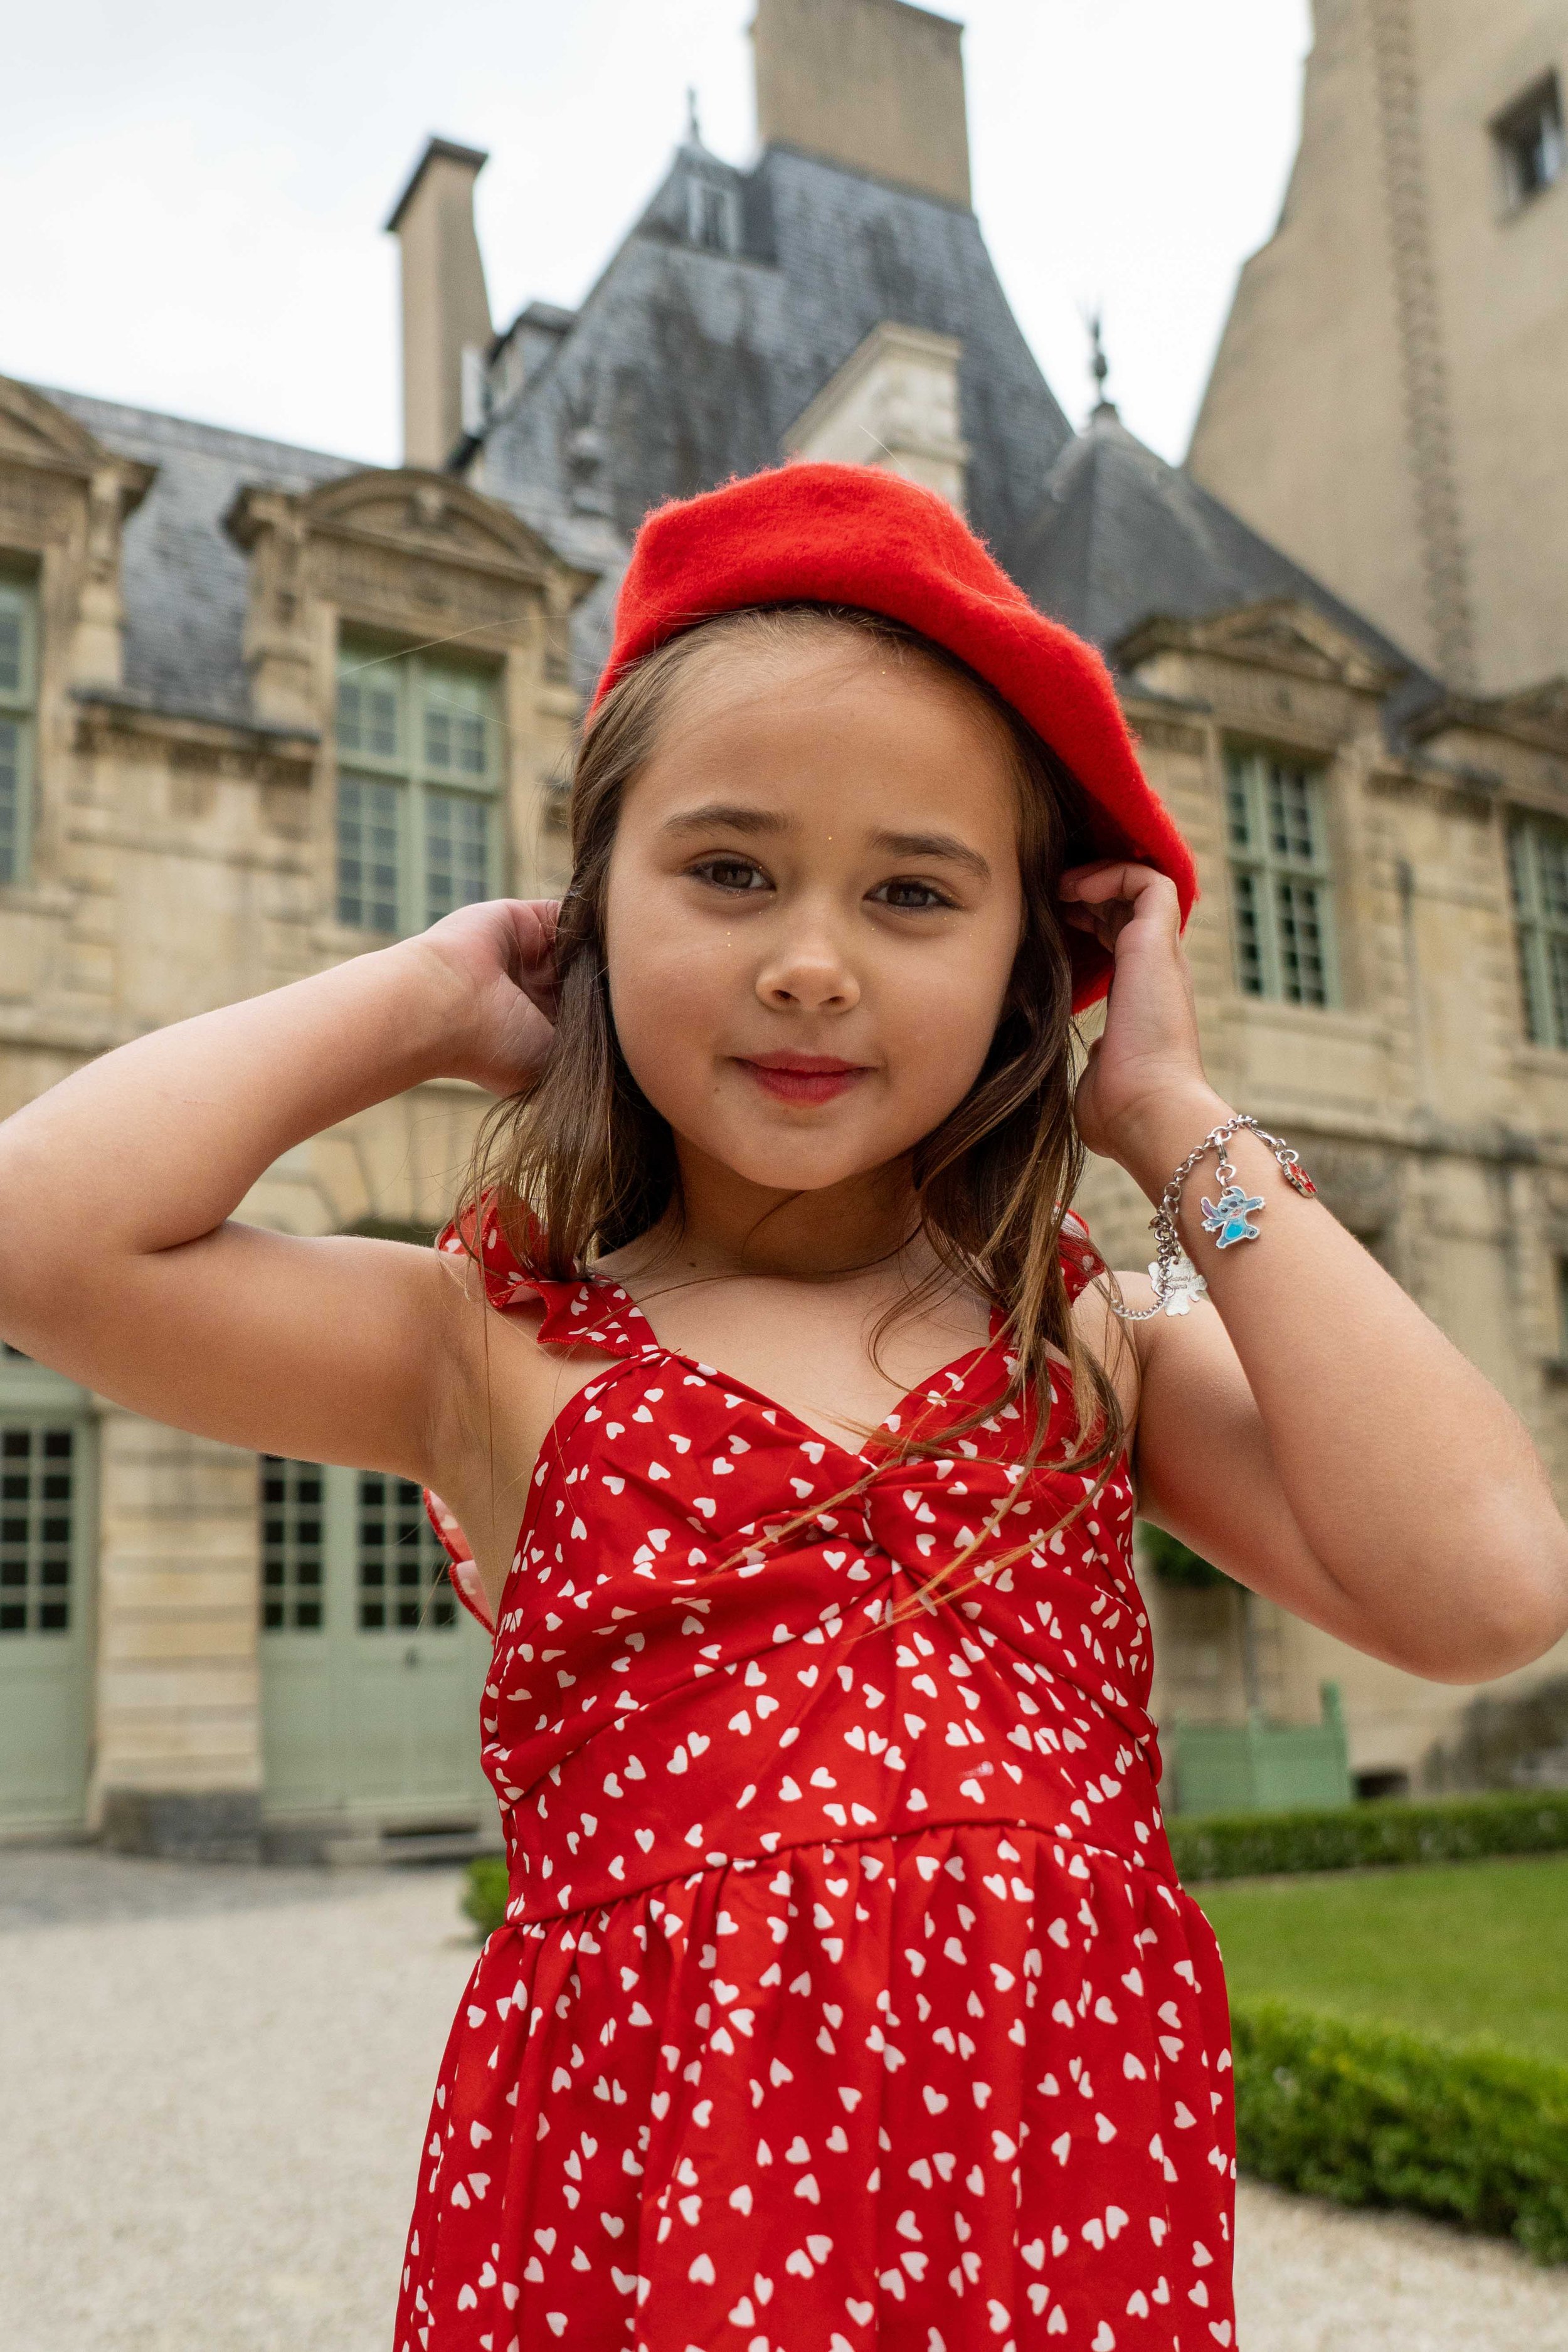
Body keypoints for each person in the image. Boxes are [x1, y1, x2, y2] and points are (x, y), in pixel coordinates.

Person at [1, 464, 1564, 2352]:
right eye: (727, 870)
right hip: (640, 2230)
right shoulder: (494, 1342)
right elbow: (40, 1242)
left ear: (1026, 967)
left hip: (1048, 2216)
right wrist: (420, 996)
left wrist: (1159, 1111)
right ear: (591, 908)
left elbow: (1488, 1585)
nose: (809, 960)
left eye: (912, 893)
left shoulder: (1084, 1339)